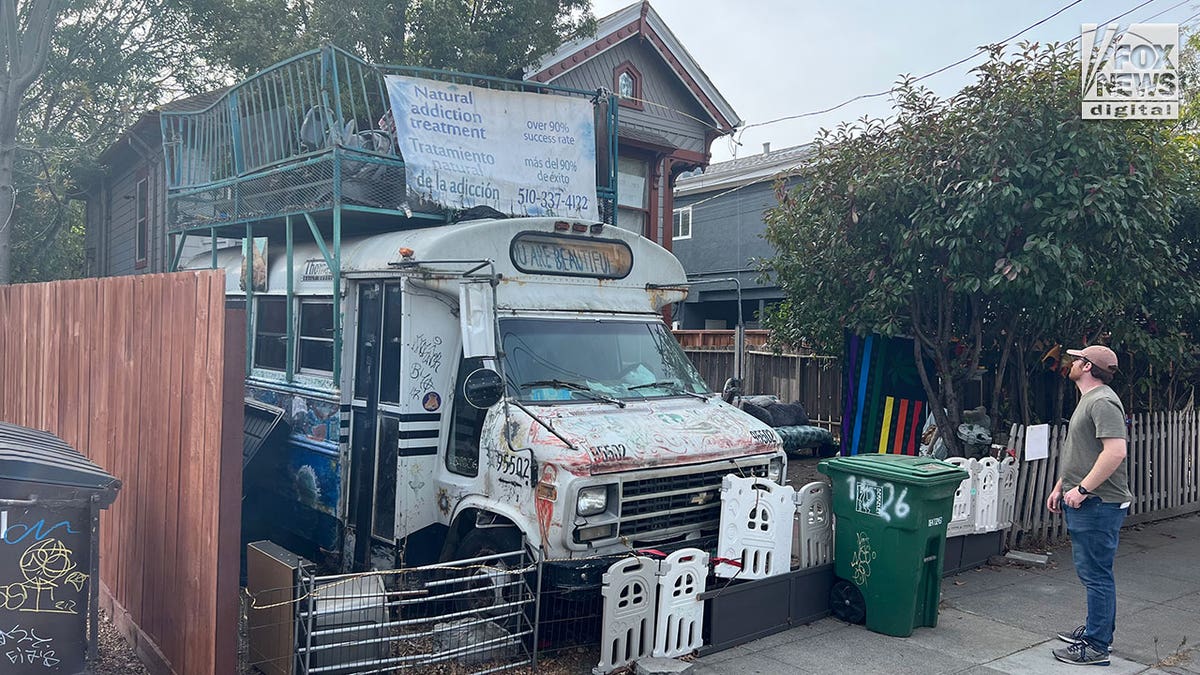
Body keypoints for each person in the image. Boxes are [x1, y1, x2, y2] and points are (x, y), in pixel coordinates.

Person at [1046, 344, 1133, 666]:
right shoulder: (1090, 400)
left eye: (1076, 359)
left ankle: (1096, 645)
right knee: (1094, 573)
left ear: (1087, 366)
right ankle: (1096, 632)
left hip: (1099, 503)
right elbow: (1081, 452)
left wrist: (1082, 490)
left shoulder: (1103, 401)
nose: (1069, 362)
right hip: (1088, 500)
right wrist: (1060, 487)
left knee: (1096, 575)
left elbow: (1115, 452)